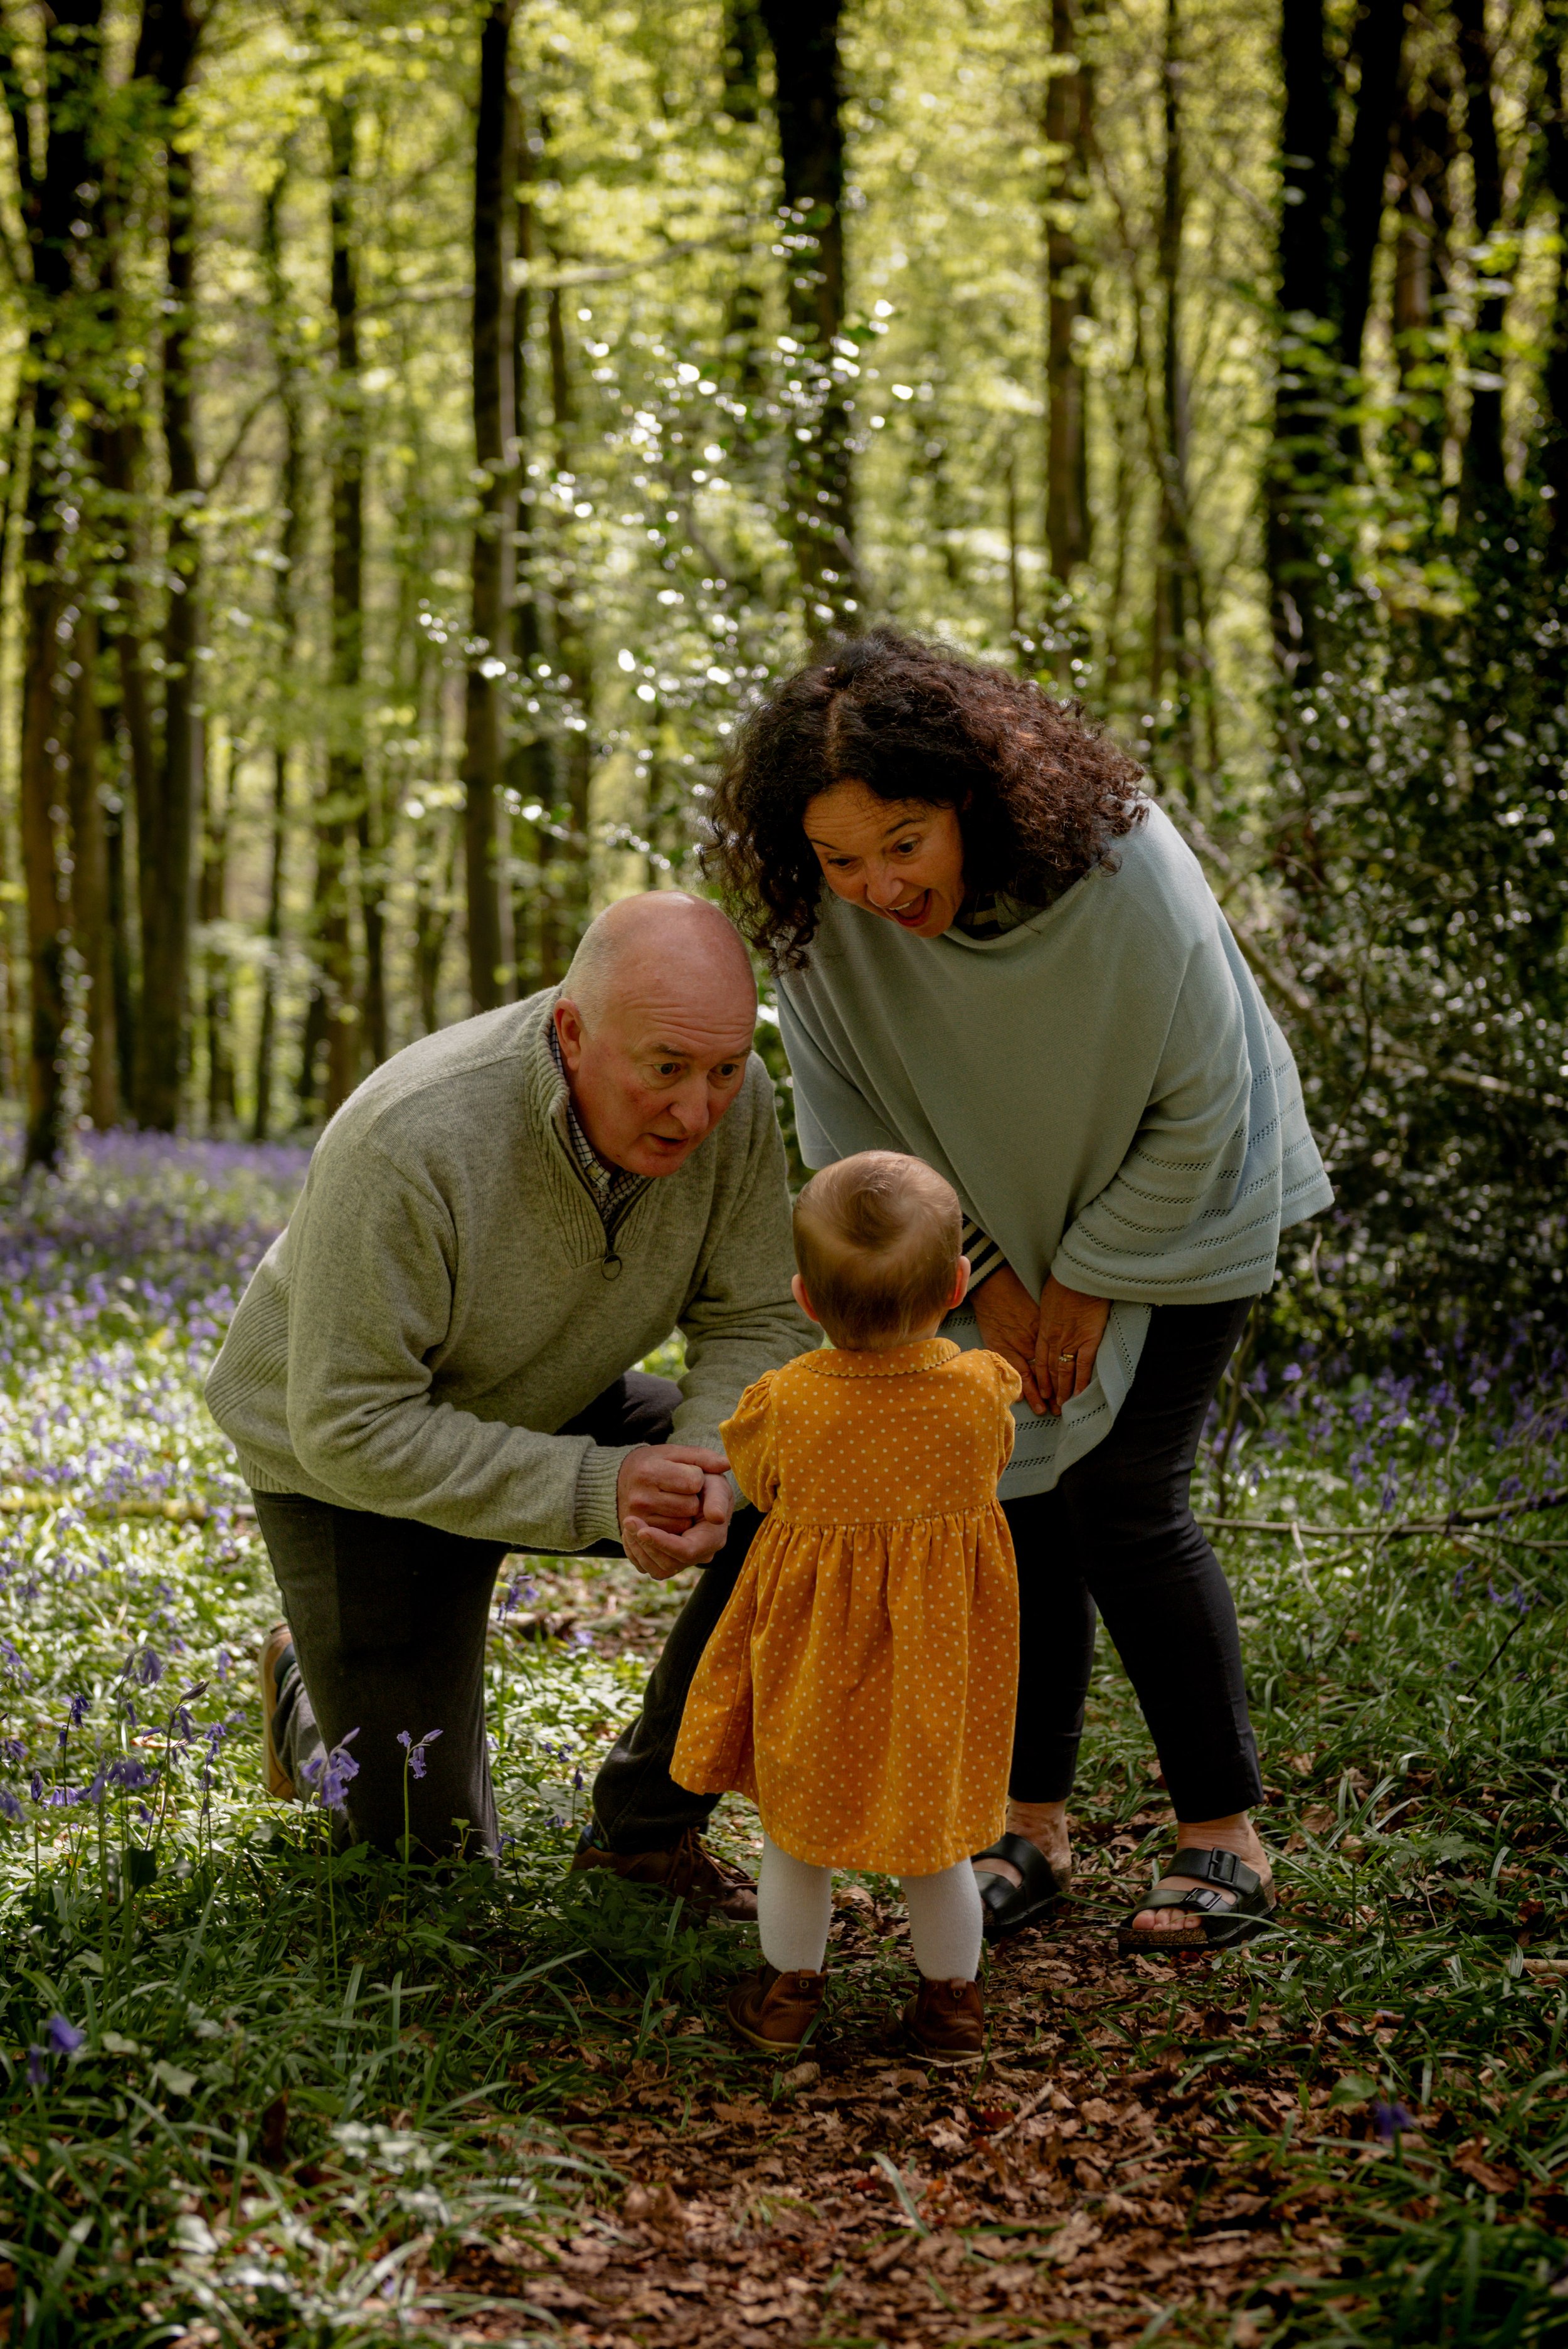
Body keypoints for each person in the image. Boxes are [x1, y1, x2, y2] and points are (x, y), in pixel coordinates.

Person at [707, 629, 1333, 1952]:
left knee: (1118, 1496)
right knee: (1010, 1494)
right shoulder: (821, 929)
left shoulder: (1124, 873)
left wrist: (1092, 1281)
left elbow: (1200, 1101)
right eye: (836, 858)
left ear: (974, 801)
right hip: (983, 1234)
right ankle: (1025, 1829)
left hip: (1186, 1197)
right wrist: (982, 1283)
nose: (873, 885)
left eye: (902, 842)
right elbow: (860, 1131)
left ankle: (1221, 1836)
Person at [206, 891, 812, 1897]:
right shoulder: (412, 1138)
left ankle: (643, 1830)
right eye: (666, 1070)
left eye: (724, 1069)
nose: (699, 1110)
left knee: (803, 1479)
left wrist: (712, 1462)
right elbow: (347, 1421)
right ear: (573, 1033)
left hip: (554, 1391)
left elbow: (757, 1315)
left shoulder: (731, 1102)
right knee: (429, 1865)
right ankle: (303, 1699)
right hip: (347, 1464)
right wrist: (599, 1487)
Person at [670, 1151, 1020, 2060]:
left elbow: (752, 1476)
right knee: (936, 1841)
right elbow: (995, 1461)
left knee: (799, 1834)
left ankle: (788, 1995)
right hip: (936, 1660)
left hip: (817, 1654)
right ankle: (952, 2007)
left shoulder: (788, 1399)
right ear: (956, 1283)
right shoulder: (982, 1391)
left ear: (805, 1298)